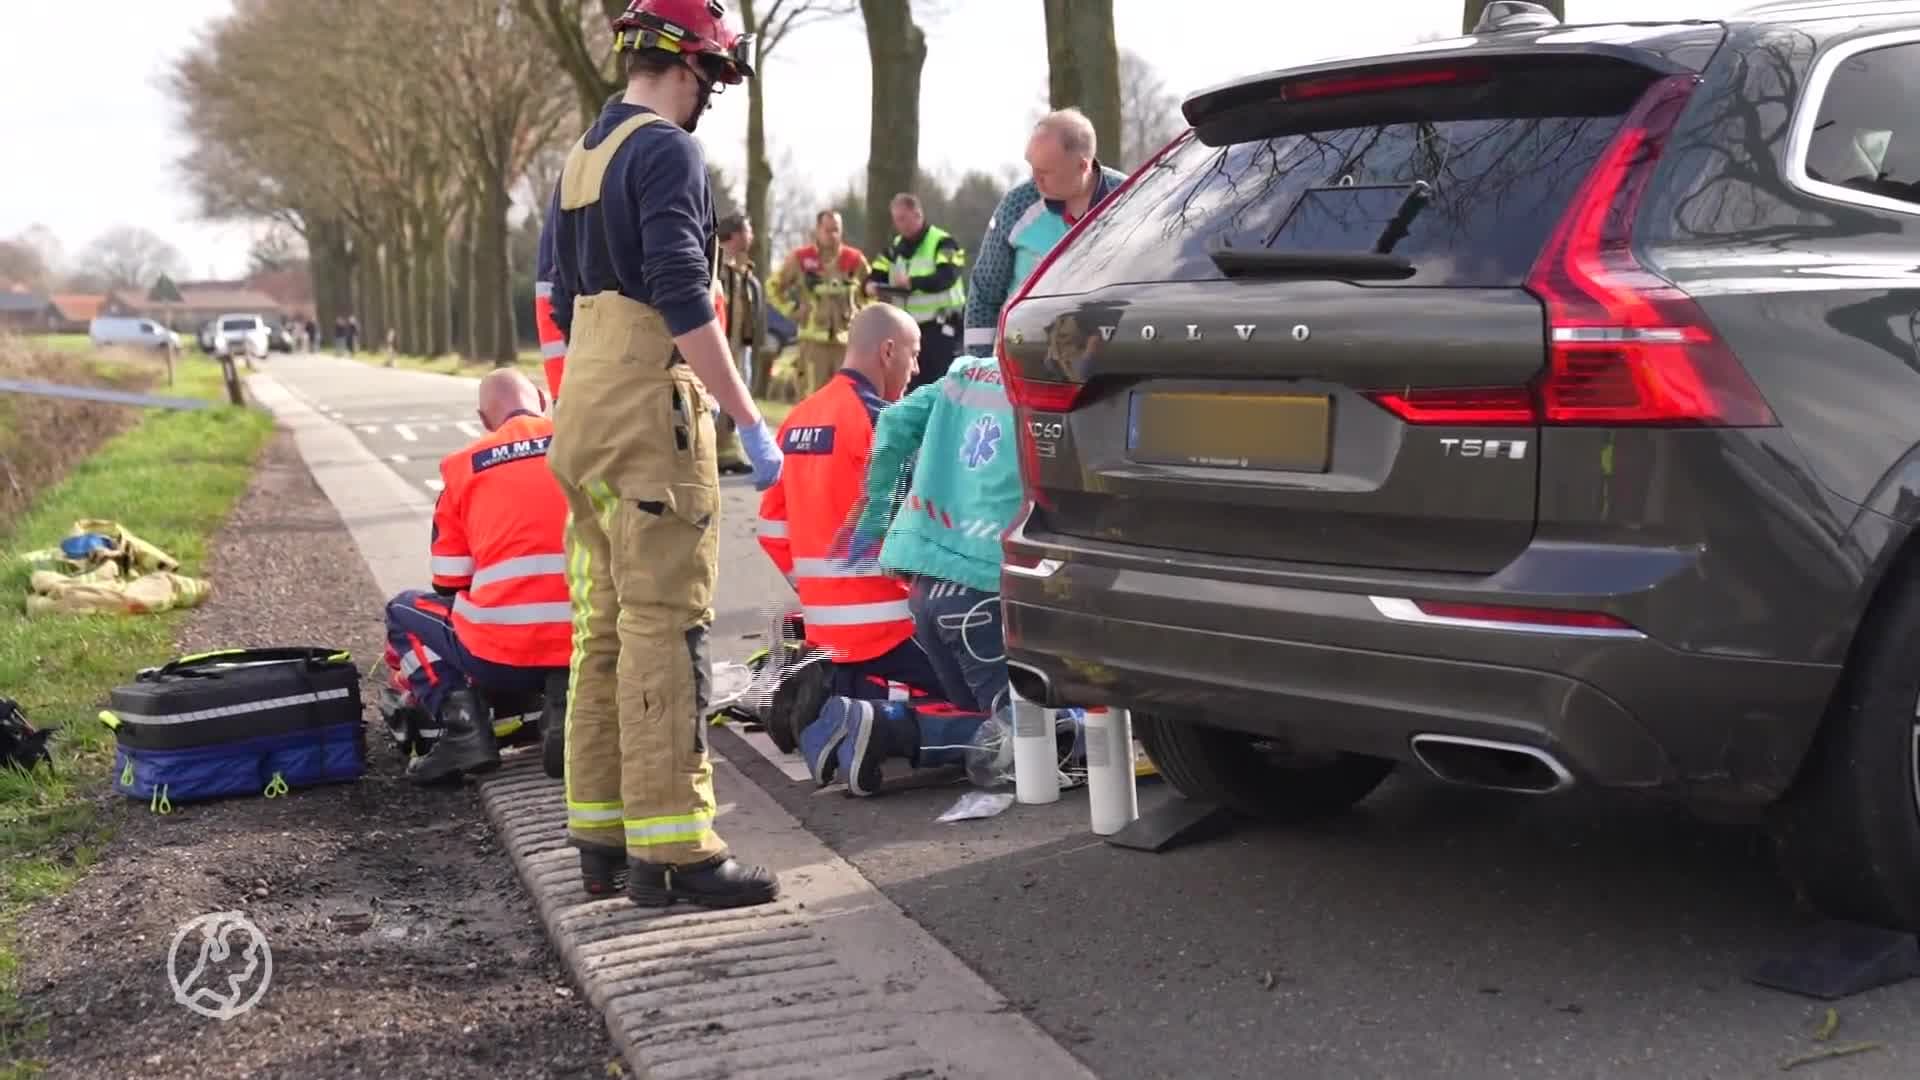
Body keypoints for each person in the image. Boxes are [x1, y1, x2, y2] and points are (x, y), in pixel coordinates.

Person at [541, 0, 784, 911]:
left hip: (585, 408)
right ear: (693, 71)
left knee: (601, 628)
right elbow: (688, 299)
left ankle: (602, 841)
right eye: (711, 84)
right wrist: (748, 418)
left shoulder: (582, 154)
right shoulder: (668, 151)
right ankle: (678, 852)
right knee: (666, 627)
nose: (708, 102)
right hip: (648, 404)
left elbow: (562, 301)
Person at [386, 369, 570, 786]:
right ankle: (565, 701)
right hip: (591, 639)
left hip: (499, 658)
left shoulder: (461, 467)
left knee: (403, 612)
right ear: (543, 400)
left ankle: (464, 730)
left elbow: (449, 581)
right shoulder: (587, 445)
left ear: (483, 420)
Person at [961, 109, 1127, 359]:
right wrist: (977, 365)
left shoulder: (1133, 201)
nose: (1034, 179)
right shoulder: (1017, 206)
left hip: (1110, 359)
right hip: (1025, 358)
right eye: (1032, 167)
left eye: (1046, 171)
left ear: (1082, 166)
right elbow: (985, 293)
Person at [867, 193, 966, 392]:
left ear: (918, 214)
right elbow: (876, 273)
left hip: (942, 328)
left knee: (939, 388)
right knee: (911, 388)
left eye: (903, 218)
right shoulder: (895, 248)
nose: (899, 225)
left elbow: (947, 276)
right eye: (896, 220)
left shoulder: (943, 242)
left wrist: (913, 283)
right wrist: (871, 285)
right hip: (910, 332)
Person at [769, 210, 868, 398]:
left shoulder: (854, 260)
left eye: (836, 230)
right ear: (817, 230)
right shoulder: (801, 259)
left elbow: (870, 292)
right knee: (811, 399)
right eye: (828, 230)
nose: (832, 235)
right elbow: (773, 288)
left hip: (845, 345)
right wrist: (793, 311)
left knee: (845, 399)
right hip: (812, 345)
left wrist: (861, 316)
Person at [713, 214, 765, 474]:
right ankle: (713, 452)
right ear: (734, 234)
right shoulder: (714, 265)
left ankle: (728, 452)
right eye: (748, 230)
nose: (752, 236)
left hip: (738, 344)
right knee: (716, 394)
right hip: (718, 341)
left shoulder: (743, 271)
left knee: (737, 394)